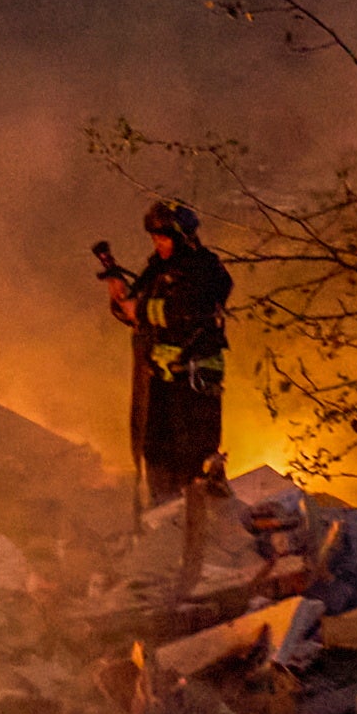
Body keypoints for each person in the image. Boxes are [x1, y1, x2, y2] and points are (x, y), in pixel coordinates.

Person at [96, 201, 231, 507]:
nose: (158, 244)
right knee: (155, 452)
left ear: (183, 237)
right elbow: (137, 315)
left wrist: (140, 309)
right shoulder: (157, 268)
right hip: (159, 381)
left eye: (164, 238)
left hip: (193, 381)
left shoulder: (205, 268)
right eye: (154, 238)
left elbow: (188, 310)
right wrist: (120, 299)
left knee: (191, 459)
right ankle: (162, 520)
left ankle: (191, 524)